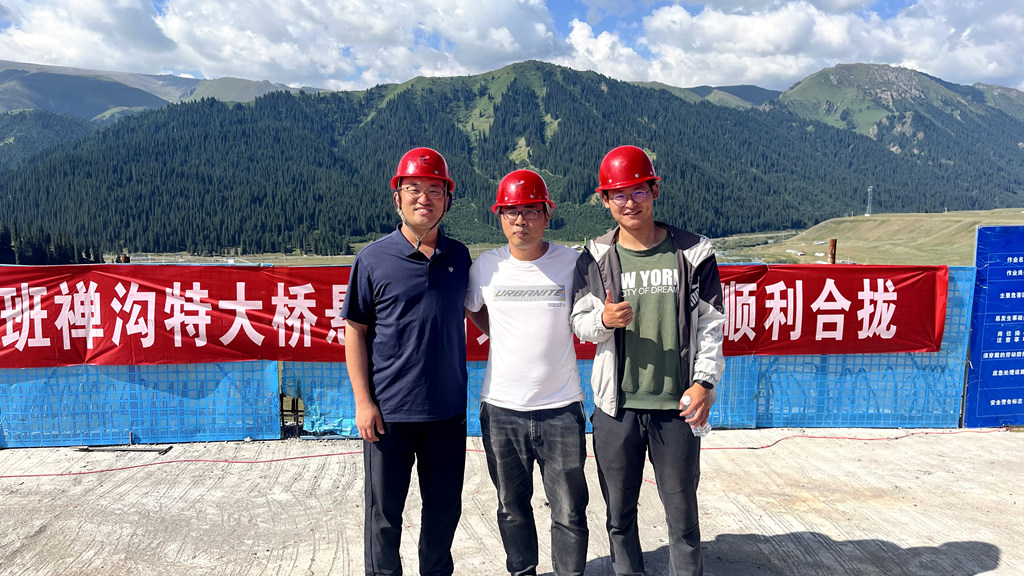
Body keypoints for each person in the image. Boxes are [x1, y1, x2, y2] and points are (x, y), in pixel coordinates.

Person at [570, 145, 726, 576]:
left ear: (654, 191)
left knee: (683, 516)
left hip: (677, 406)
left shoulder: (693, 252)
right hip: (615, 409)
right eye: (618, 194)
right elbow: (579, 322)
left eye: (638, 191)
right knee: (619, 516)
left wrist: (704, 383)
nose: (630, 202)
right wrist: (603, 320)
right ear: (605, 200)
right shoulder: (596, 256)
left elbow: (711, 324)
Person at [342, 147, 471, 576]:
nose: (424, 198)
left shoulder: (460, 257)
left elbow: (486, 313)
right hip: (389, 415)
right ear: (397, 197)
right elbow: (355, 331)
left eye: (434, 189)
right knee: (383, 517)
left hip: (447, 413)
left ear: (447, 199)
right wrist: (364, 402)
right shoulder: (372, 259)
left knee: (443, 513)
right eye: (413, 189)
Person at [465, 169, 589, 576]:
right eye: (511, 211)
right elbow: (473, 308)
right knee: (511, 508)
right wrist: (500, 332)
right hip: (502, 410)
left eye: (531, 211)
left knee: (569, 511)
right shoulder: (486, 267)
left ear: (547, 215)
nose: (521, 220)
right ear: (499, 216)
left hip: (561, 408)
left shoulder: (572, 263)